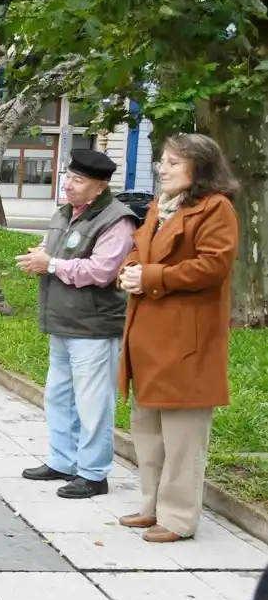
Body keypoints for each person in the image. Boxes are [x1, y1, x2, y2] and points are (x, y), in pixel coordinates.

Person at [117, 133, 238, 543]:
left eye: (172, 163)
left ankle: (179, 518)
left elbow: (212, 267)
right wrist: (130, 271)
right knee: (148, 433)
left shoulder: (215, 208)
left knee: (183, 439)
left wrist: (151, 277)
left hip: (187, 340)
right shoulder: (160, 207)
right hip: (148, 338)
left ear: (199, 168)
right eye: (163, 161)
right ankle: (152, 507)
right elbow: (140, 249)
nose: (161, 168)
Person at [16, 150, 138, 499]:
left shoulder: (117, 220)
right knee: (59, 397)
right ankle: (62, 460)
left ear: (99, 187)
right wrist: (39, 255)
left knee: (93, 403)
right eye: (68, 177)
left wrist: (51, 264)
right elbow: (51, 248)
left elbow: (103, 271)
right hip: (63, 322)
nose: (68, 185)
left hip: (94, 326)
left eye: (78, 180)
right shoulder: (66, 212)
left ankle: (94, 473)